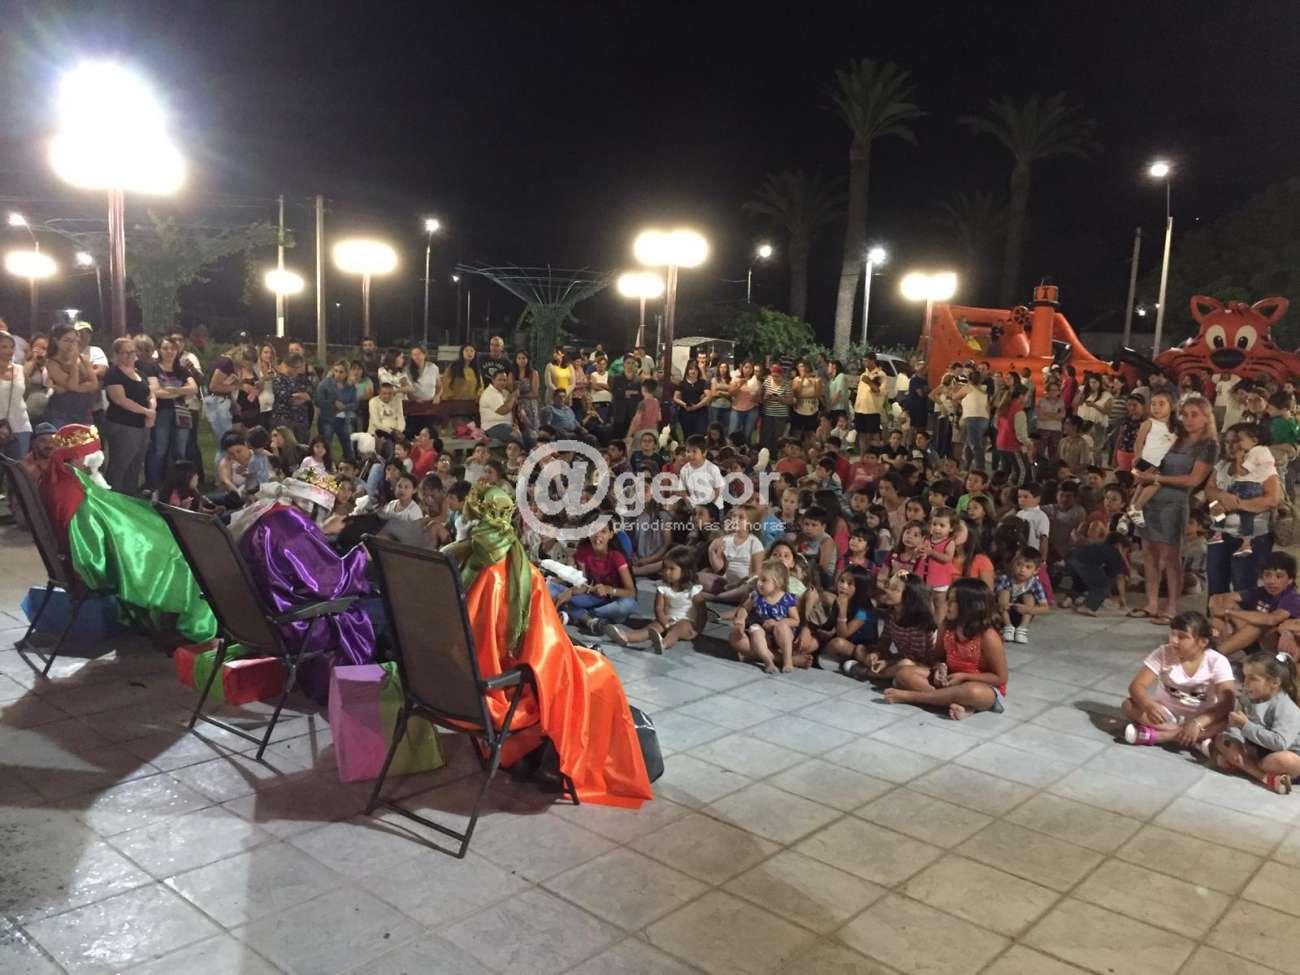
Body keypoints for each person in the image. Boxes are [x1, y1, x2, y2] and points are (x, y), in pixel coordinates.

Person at [1130, 394, 1219, 625]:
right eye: (1185, 415)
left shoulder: (1208, 445)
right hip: (1151, 500)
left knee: (1171, 557)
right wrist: (1145, 473)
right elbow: (1158, 462)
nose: (1188, 419)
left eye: (1194, 415)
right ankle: (1151, 604)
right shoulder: (1178, 438)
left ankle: (1171, 607)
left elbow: (1193, 479)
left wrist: (1157, 478)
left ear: (1206, 417)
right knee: (1149, 553)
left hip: (1174, 503)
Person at [885, 577, 1008, 720]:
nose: (946, 604)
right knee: (904, 674)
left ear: (970, 605)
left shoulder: (988, 635)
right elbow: (938, 657)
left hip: (979, 685)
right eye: (947, 599)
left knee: (974, 692)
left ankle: (913, 697)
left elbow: (1000, 678)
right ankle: (963, 706)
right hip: (950, 680)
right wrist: (940, 668)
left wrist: (964, 677)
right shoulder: (947, 625)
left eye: (952, 601)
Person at [1121, 611, 1235, 751]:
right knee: (1128, 705)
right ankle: (1196, 739)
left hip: (1202, 718)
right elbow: (1137, 685)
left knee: (1229, 719)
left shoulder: (1217, 661)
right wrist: (1148, 705)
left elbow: (1227, 703)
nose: (1173, 640)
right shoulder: (1163, 653)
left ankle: (1159, 736)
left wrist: (1197, 723)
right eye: (1172, 634)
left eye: (1182, 637)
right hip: (1166, 715)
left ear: (1202, 642)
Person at [1210, 650, 1300, 794]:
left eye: (1253, 678)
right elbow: (1235, 727)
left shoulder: (1286, 707)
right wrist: (1236, 741)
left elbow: (1280, 743)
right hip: (1257, 749)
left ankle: (1243, 765)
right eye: (1245, 676)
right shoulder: (1248, 697)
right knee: (1223, 739)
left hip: (1284, 754)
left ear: (1274, 682)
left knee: (1284, 760)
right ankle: (1264, 777)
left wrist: (1245, 726)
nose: (1246, 683)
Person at [602, 546, 702, 654]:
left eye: (671, 569)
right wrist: (665, 623)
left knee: (677, 629)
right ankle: (626, 636)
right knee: (651, 628)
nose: (667, 572)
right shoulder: (663, 587)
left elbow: (702, 611)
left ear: (685, 571)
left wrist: (698, 629)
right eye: (665, 567)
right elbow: (659, 609)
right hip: (667, 619)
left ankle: (664, 644)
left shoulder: (692, 589)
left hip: (687, 622)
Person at [1208, 552, 1300, 661]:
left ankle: (1216, 654)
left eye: (1279, 576)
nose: (1271, 581)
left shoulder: (1292, 598)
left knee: (1259, 624)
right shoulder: (1261, 591)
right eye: (1267, 575)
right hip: (1253, 639)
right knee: (1224, 602)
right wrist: (1218, 611)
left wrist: (1228, 612)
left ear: (1290, 580)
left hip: (1278, 648)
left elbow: (1271, 619)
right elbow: (1217, 598)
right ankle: (1224, 645)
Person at [548, 521, 638, 631]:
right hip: (590, 597)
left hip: (610, 602)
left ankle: (582, 616)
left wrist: (609, 590)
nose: (598, 535)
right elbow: (583, 584)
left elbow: (631, 592)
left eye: (603, 531)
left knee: (628, 605)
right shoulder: (583, 552)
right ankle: (589, 620)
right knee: (549, 588)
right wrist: (570, 592)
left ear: (611, 534)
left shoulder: (616, 556)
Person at [1207, 422, 1275, 559]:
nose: (1230, 446)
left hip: (1254, 535)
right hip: (1221, 533)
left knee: (1243, 572)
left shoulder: (1262, 466)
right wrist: (1221, 498)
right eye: (1227, 442)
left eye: (1236, 441)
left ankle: (1246, 543)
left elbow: (1273, 499)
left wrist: (1237, 504)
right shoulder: (1221, 465)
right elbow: (1209, 492)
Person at [101, 337, 155, 493]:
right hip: (122, 425)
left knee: (136, 465)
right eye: (125, 352)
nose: (130, 355)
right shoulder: (113, 374)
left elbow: (150, 394)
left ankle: (130, 496)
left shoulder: (140, 373)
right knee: (120, 465)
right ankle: (113, 498)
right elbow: (120, 400)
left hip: (141, 425)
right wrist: (146, 411)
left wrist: (151, 411)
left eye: (132, 352)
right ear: (117, 354)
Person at [144, 335, 198, 491]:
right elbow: (156, 392)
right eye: (165, 348)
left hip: (182, 413)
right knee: (159, 449)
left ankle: (175, 486)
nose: (169, 352)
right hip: (162, 412)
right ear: (159, 350)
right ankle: (154, 485)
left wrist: (174, 390)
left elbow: (194, 388)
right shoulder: (153, 368)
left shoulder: (182, 369)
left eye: (173, 348)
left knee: (179, 450)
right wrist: (181, 391)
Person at [730, 558, 800, 673]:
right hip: (763, 636)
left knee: (782, 627)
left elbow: (795, 620)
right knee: (755, 629)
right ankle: (768, 662)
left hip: (781, 638)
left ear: (778, 582)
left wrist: (777, 623)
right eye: (759, 579)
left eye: (764, 580)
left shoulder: (787, 598)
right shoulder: (756, 596)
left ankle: (787, 660)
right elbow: (744, 608)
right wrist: (741, 620)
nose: (759, 583)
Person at [1128, 389, 1179, 521]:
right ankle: (1137, 508)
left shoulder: (1174, 429)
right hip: (1143, 461)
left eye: (1161, 404)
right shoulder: (1149, 423)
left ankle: (1128, 514)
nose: (1156, 407)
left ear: (1172, 406)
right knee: (1155, 483)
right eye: (1153, 404)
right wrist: (1137, 457)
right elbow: (1138, 442)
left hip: (1159, 465)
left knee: (1141, 487)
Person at [1061, 531, 1130, 616]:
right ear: (1119, 545)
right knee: (1103, 584)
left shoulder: (1099, 545)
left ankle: (1068, 600)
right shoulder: (1114, 552)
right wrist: (1123, 601)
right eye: (1125, 551)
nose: (1125, 554)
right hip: (1084, 564)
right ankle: (1088, 606)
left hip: (1071, 560)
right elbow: (1119, 578)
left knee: (1082, 582)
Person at [995, 547, 1049, 644]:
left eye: (1028, 567)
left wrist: (1029, 609)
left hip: (1022, 614)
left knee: (1029, 597)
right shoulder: (1005, 579)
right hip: (1004, 612)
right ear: (1013, 563)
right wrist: (1002, 600)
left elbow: (1045, 608)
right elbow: (994, 596)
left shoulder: (1035, 584)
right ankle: (1008, 627)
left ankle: (1022, 629)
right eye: (1019, 565)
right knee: (1004, 592)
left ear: (1035, 570)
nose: (1022, 569)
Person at [0, 331, 32, 461]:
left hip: (20, 426)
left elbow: (26, 393)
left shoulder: (20, 370)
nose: (9, 350)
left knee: (17, 469)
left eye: (12, 347)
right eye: (3, 347)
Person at [403, 345, 441, 438]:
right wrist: (415, 399)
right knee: (412, 433)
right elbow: (406, 389)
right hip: (414, 406)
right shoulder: (407, 369)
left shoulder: (433, 367)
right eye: (414, 354)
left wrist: (437, 396)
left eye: (419, 354)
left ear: (424, 355)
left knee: (429, 434)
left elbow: (439, 386)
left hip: (430, 406)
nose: (417, 357)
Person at [479, 366, 522, 447]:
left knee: (529, 436)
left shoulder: (504, 392)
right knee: (515, 435)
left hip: (506, 425)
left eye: (504, 380)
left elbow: (513, 407)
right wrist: (513, 396)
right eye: (499, 380)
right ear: (493, 380)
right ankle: (521, 454)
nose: (502, 382)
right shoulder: (490, 394)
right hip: (492, 427)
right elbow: (503, 410)